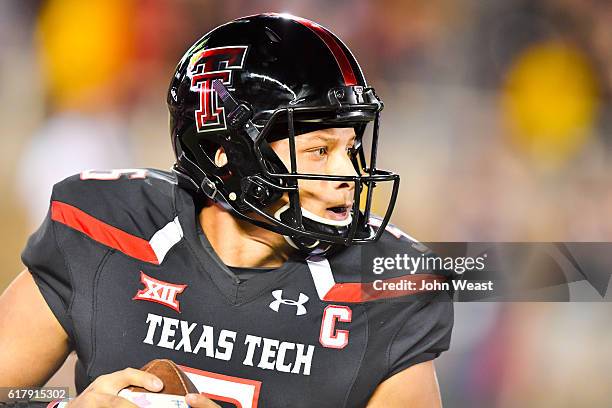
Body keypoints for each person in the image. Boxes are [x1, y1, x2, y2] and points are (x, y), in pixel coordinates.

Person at [0, 13, 453, 407]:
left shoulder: (389, 287)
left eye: (351, 147)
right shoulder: (108, 228)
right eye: (319, 150)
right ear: (227, 153)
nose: (349, 174)